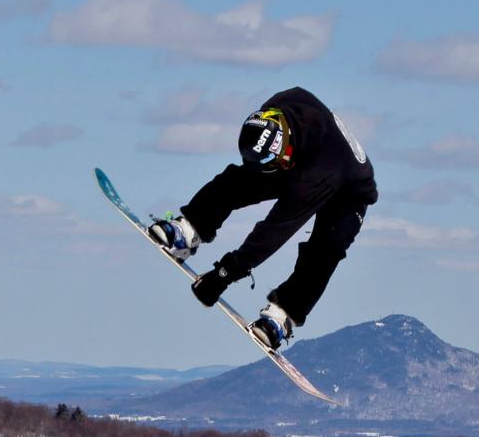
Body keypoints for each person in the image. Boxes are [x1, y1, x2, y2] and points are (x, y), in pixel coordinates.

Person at [147, 87, 377, 350]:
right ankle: (188, 230)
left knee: (325, 250)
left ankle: (283, 317)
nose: (285, 162)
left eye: (284, 157)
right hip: (302, 157)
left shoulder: (315, 176)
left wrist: (224, 274)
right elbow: (254, 170)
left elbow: (273, 232)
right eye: (279, 160)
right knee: (239, 180)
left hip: (348, 191)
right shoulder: (275, 112)